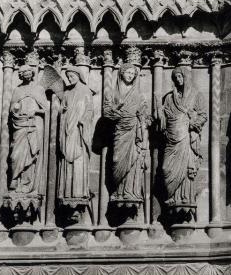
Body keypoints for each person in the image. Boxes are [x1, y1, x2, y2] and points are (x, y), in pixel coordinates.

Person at [158, 67, 207, 206]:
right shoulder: (169, 97)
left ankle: (185, 197)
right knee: (166, 168)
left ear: (186, 78)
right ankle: (172, 195)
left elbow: (203, 115)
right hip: (172, 137)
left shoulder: (196, 95)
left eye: (181, 77)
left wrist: (194, 122)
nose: (179, 80)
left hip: (186, 137)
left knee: (185, 167)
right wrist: (160, 115)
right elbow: (165, 116)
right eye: (176, 78)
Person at [104, 63, 151, 206]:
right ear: (121, 73)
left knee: (133, 161)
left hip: (133, 130)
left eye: (133, 74)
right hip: (119, 130)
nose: (130, 75)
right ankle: (118, 191)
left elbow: (144, 114)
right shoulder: (112, 92)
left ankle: (131, 191)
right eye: (128, 72)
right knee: (117, 159)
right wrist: (115, 111)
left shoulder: (139, 94)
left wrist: (145, 121)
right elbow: (106, 112)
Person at [58, 66, 93, 222]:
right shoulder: (66, 93)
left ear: (79, 75)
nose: (70, 78)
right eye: (68, 76)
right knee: (67, 163)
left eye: (72, 75)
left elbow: (90, 110)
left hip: (79, 132)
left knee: (79, 162)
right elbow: (62, 111)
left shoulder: (86, 91)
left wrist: (83, 120)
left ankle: (79, 194)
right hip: (68, 132)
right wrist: (62, 110)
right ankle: (66, 194)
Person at [8, 66, 47, 196]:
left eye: (29, 72)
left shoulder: (39, 89)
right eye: (24, 72)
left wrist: (36, 111)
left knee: (31, 154)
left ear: (32, 74)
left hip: (34, 126)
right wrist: (16, 110)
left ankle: (27, 184)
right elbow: (11, 109)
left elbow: (46, 109)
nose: (27, 74)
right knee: (15, 155)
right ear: (20, 75)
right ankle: (15, 180)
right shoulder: (17, 90)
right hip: (20, 125)